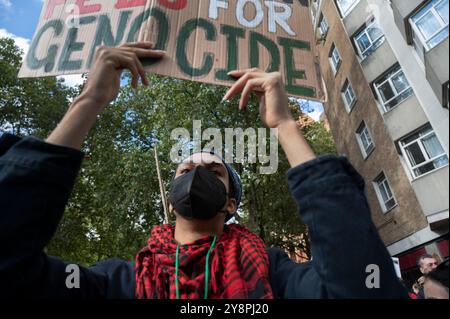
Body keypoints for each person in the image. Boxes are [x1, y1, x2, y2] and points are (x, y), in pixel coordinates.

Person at [0, 42, 409, 299]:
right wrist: (89, 101)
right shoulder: (115, 282)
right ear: (169, 196)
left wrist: (285, 126)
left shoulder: (278, 276)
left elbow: (363, 284)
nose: (195, 174)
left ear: (230, 202)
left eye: (213, 172)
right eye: (184, 169)